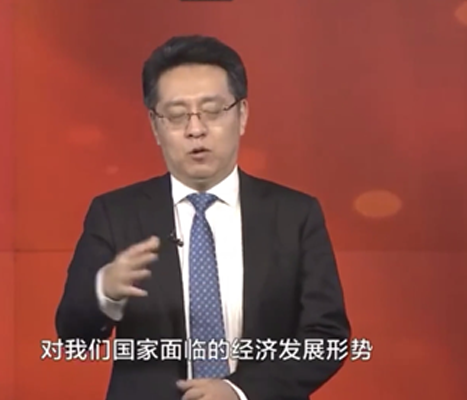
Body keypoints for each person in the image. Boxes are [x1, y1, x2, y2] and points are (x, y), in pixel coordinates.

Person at [55, 34, 350, 400]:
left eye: (212, 110)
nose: (196, 129)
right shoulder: (115, 214)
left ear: (242, 114)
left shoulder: (295, 215)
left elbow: (327, 338)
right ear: (155, 126)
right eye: (177, 115)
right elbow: (73, 338)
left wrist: (240, 392)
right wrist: (105, 292)